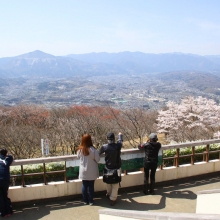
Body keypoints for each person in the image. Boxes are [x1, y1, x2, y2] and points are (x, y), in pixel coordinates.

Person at [99, 132, 123, 206]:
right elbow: (120, 141)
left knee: (108, 182)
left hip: (108, 167)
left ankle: (108, 194)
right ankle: (113, 198)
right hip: (116, 168)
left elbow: (99, 152)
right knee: (115, 184)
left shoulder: (104, 147)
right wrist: (120, 135)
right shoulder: (118, 146)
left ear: (107, 139)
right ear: (114, 139)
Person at [77, 134, 100, 206]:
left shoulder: (80, 150)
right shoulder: (93, 150)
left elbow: (78, 157)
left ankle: (85, 200)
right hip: (92, 171)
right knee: (91, 186)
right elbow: (98, 159)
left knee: (84, 185)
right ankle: (91, 201)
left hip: (83, 171)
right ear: (90, 140)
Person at [0, 148, 13, 217]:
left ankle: (3, 213)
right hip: (5, 179)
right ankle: (9, 212)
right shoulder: (7, 158)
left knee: (0, 197)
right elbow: (11, 157)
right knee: (5, 195)